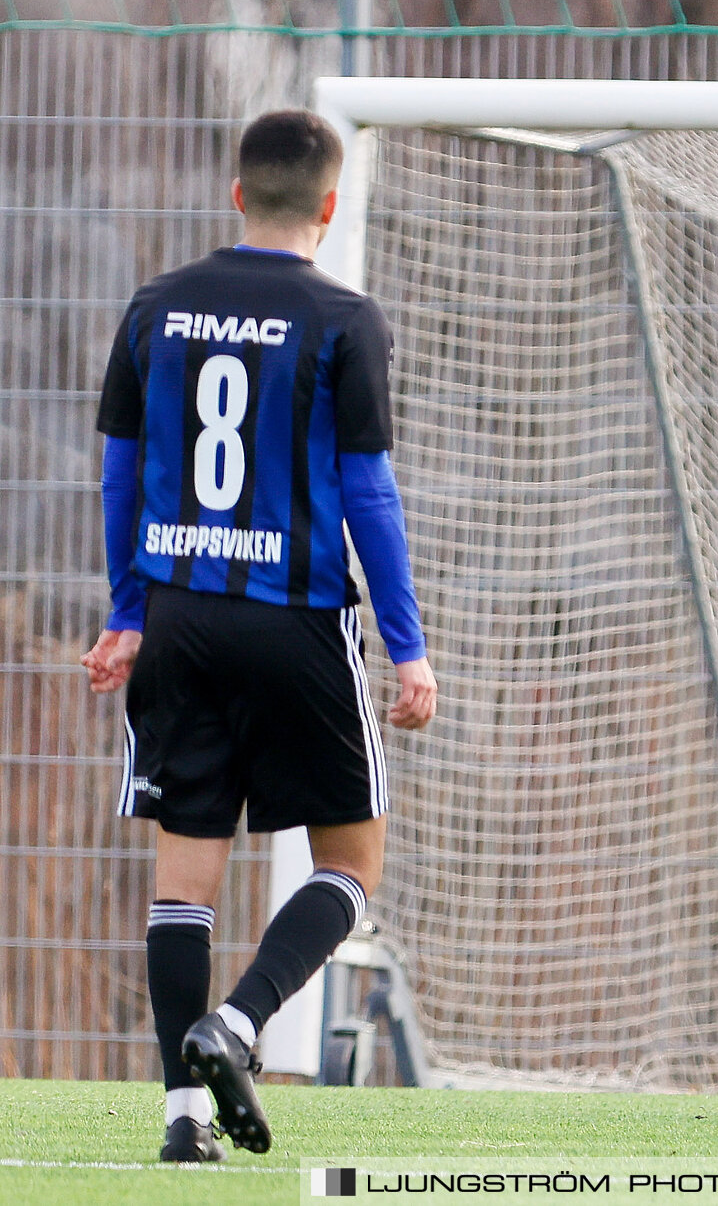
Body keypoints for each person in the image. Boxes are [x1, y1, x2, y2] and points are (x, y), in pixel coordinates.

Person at [80, 109, 437, 1162]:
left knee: (184, 876)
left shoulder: (157, 306)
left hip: (181, 615)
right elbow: (369, 491)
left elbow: (119, 472)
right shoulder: (344, 317)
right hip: (296, 621)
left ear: (238, 195)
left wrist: (128, 610)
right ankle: (234, 1025)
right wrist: (407, 645)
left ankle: (181, 1127)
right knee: (351, 859)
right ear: (329, 206)